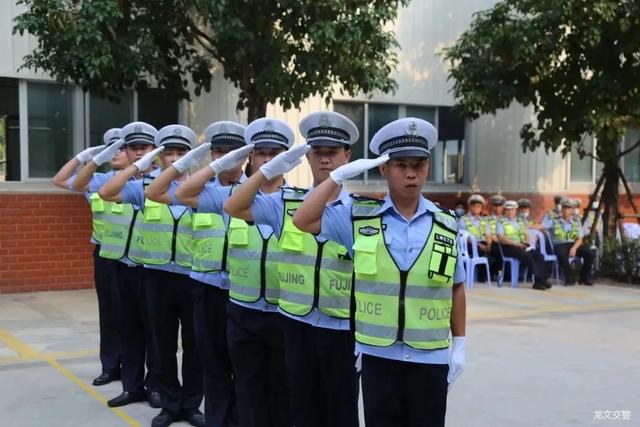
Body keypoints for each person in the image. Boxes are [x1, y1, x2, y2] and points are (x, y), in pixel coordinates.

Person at [292, 117, 466, 427]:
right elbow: (303, 220)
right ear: (384, 169)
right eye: (401, 165)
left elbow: (456, 286)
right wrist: (336, 178)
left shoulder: (446, 223)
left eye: (419, 164)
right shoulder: (359, 219)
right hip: (378, 356)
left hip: (430, 357)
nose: (411, 173)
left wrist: (461, 344)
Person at [224, 112, 361, 427]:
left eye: (333, 153)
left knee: (341, 413)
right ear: (308, 157)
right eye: (318, 153)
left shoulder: (362, 213)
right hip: (295, 327)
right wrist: (266, 171)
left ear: (347, 156)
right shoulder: (286, 204)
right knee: (299, 409)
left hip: (340, 330)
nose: (325, 160)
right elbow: (233, 207)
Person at [177, 119, 293, 427]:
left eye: (276, 154)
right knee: (230, 374)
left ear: (288, 158)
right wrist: (218, 165)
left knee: (279, 386)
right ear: (250, 157)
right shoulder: (233, 197)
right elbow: (183, 193)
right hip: (236, 301)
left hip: (282, 309)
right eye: (261, 154)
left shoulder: (299, 199)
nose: (268, 161)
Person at [100, 125, 204, 427]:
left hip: (192, 278)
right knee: (162, 344)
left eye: (181, 153)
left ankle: (191, 403)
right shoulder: (146, 187)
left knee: (195, 346)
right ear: (159, 157)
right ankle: (169, 403)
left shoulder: (204, 189)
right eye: (168, 153)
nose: (174, 159)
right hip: (156, 277)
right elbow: (107, 192)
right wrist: (140, 163)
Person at [73, 122, 162, 408]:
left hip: (153, 269)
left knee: (156, 333)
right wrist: (100, 159)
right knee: (129, 329)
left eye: (144, 148)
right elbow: (81, 184)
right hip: (124, 265)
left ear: (154, 151)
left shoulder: (166, 180)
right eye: (133, 148)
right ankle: (132, 386)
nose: (139, 153)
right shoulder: (122, 180)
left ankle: (157, 386)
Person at [52, 129, 125, 386]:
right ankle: (110, 366)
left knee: (135, 316)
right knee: (108, 313)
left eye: (120, 148)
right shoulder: (98, 179)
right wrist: (84, 157)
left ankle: (136, 370)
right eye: (110, 148)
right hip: (105, 254)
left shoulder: (142, 182)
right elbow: (60, 180)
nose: (115, 153)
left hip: (134, 256)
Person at [497, 200, 552, 290]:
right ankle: (542, 279)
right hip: (508, 246)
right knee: (527, 256)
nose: (511, 212)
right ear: (505, 211)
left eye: (513, 210)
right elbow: (501, 238)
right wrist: (516, 243)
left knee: (538, 255)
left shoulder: (519, 221)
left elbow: (525, 233)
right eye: (508, 210)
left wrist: (526, 242)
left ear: (516, 211)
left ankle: (538, 283)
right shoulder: (501, 222)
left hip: (521, 245)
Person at [543, 199, 595, 286]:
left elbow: (580, 239)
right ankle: (569, 278)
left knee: (590, 252)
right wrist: (528, 227)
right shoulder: (554, 221)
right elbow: (541, 226)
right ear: (562, 209)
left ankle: (584, 277)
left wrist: (574, 248)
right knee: (562, 254)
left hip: (573, 244)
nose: (567, 210)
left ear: (572, 210)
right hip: (560, 245)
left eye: (569, 208)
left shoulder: (576, 222)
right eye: (565, 208)